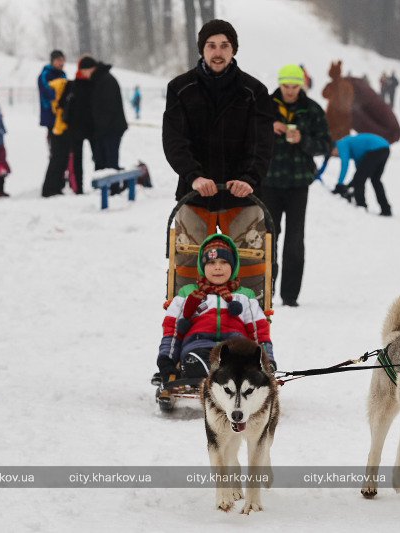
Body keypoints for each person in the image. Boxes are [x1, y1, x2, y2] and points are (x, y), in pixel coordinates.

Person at [162, 19, 274, 299]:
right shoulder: (180, 88)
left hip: (243, 195)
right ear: (202, 50)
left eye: (225, 45)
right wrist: (194, 175)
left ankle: (250, 325)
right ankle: (188, 322)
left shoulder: (254, 92)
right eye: (211, 46)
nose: (218, 52)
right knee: (188, 265)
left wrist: (249, 179)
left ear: (233, 50)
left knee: (250, 264)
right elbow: (175, 141)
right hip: (195, 194)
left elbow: (262, 144)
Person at [154, 234, 275, 398]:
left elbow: (258, 330)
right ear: (202, 267)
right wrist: (167, 361)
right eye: (211, 262)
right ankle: (201, 369)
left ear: (233, 266)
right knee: (195, 358)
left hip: (234, 346)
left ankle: (227, 373)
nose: (218, 267)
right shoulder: (188, 293)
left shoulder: (244, 296)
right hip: (198, 343)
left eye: (224, 262)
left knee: (240, 360)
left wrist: (267, 362)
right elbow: (173, 329)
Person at [264, 64, 331, 307]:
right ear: (280, 84)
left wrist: (303, 140)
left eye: (294, 86)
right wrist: (269, 130)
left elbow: (325, 145)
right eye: (286, 86)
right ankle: (264, 290)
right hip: (268, 182)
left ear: (301, 85)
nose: (290, 91)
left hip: (298, 184)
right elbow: (247, 139)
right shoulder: (264, 106)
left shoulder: (312, 109)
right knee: (267, 238)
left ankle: (290, 296)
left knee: (294, 239)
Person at [62, 55, 128, 194]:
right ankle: (109, 187)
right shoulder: (100, 78)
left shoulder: (105, 80)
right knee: (105, 159)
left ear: (90, 69)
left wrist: (100, 128)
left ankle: (113, 188)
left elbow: (107, 108)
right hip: (109, 128)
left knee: (111, 159)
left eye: (84, 71)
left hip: (112, 128)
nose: (84, 75)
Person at [330, 133, 392, 216]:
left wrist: (339, 184)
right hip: (385, 148)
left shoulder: (341, 144)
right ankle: (386, 209)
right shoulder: (355, 149)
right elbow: (360, 170)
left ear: (334, 147)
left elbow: (345, 164)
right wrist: (350, 185)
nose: (335, 155)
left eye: (333, 153)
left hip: (375, 149)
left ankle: (361, 206)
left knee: (360, 179)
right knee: (375, 180)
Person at [41, 75, 73, 197]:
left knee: (60, 159)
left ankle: (55, 186)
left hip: (59, 127)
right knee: (57, 159)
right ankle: (50, 188)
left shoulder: (60, 88)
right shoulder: (62, 88)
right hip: (59, 128)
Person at [37, 50, 66, 137]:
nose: (61, 63)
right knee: (53, 136)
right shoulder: (45, 74)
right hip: (50, 111)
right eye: (58, 60)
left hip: (62, 112)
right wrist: (59, 100)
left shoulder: (62, 74)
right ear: (52, 61)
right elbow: (47, 91)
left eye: (62, 60)